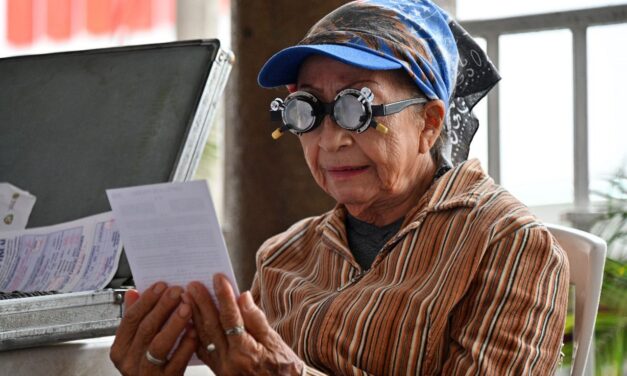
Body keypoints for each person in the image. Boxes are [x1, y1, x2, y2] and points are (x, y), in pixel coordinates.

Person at [110, 1, 570, 375]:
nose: (330, 140)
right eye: (306, 110)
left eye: (359, 106)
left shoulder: (509, 245)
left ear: (429, 123)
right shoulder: (283, 257)